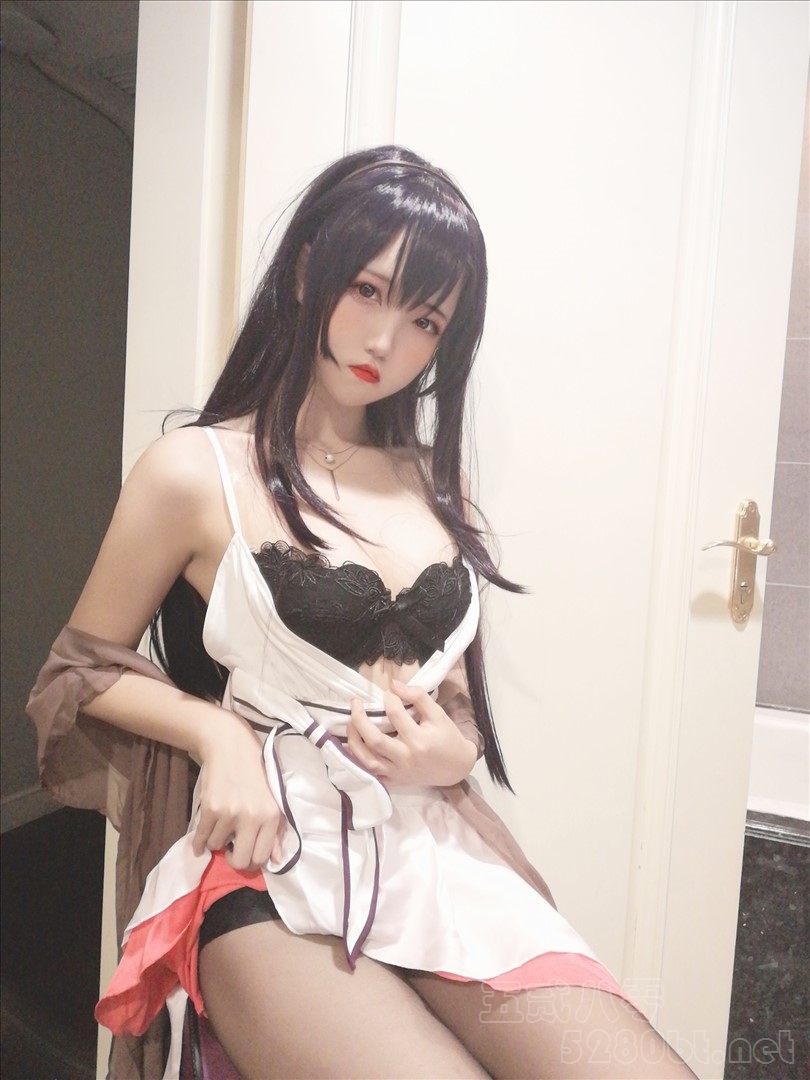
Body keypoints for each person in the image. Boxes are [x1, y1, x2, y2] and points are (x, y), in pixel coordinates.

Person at [28, 146, 697, 1080]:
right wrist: (218, 737)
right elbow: (78, 670)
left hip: (432, 847)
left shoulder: (435, 483)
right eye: (369, 290)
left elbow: (448, 695)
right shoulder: (194, 470)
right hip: (270, 859)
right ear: (310, 270)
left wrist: (452, 752)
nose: (384, 340)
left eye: (424, 320)